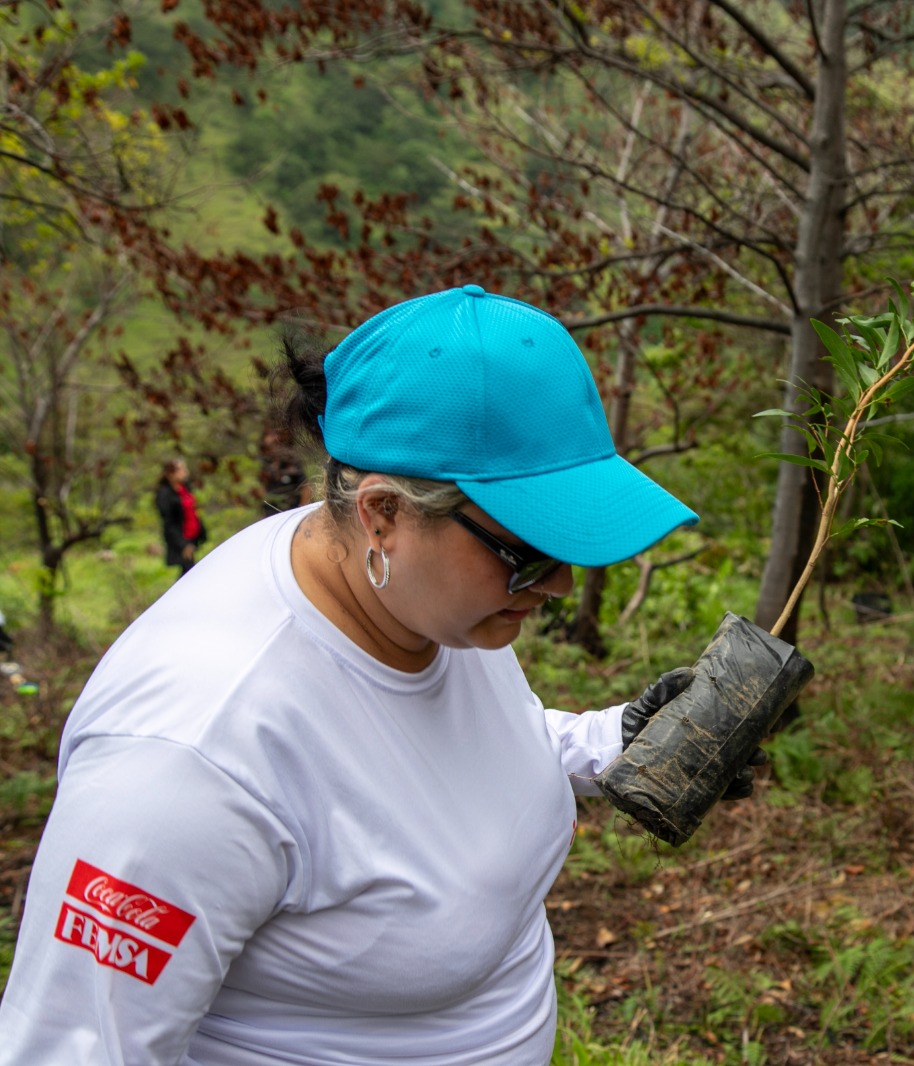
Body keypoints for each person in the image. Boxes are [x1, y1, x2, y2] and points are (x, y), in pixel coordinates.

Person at [0, 284, 759, 1065]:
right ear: (382, 513)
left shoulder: (412, 594)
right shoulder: (187, 762)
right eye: (529, 550)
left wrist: (608, 742)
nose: (558, 584)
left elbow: (413, 765)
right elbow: (74, 1047)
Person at [155, 458, 207, 575]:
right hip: (181, 539)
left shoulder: (185, 489)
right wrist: (182, 544)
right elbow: (169, 523)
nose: (185, 473)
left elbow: (192, 511)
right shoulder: (165, 495)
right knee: (188, 573)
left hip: (192, 535)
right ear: (171, 474)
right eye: (181, 470)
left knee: (190, 570)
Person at [258, 425, 312, 516]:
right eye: (270, 435)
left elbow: (306, 486)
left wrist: (302, 511)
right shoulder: (263, 464)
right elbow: (260, 489)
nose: (274, 439)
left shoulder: (291, 461)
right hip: (271, 515)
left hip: (291, 513)